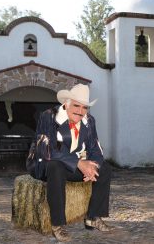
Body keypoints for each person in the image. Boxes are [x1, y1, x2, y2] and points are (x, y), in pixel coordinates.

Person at [34, 83, 113, 242]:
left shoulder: (89, 121)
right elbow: (46, 149)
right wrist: (79, 163)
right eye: (76, 105)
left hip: (72, 166)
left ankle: (92, 217)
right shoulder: (48, 117)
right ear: (66, 103)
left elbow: (95, 149)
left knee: (104, 169)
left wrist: (93, 166)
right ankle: (57, 224)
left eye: (85, 107)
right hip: (47, 165)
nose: (80, 111)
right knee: (55, 167)